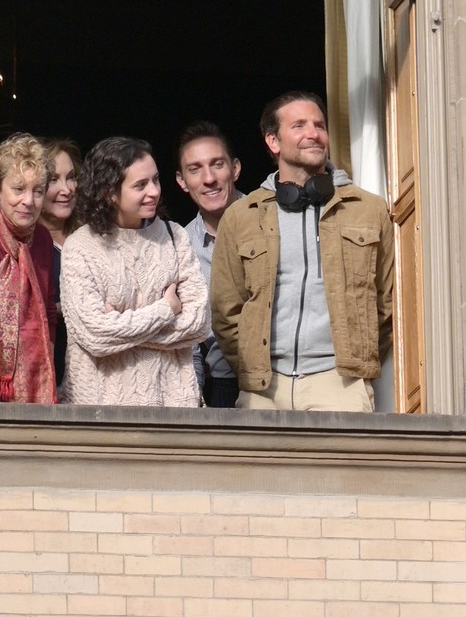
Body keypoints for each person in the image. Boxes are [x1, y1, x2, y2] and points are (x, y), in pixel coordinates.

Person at [210, 91, 394, 412]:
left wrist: (356, 358)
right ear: (273, 141)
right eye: (299, 126)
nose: (314, 133)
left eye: (319, 125)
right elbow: (227, 312)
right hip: (263, 389)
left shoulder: (369, 209)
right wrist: (252, 364)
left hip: (341, 384)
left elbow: (387, 303)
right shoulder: (242, 215)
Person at [60, 136, 210, 406]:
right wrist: (165, 309)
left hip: (172, 404)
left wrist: (122, 328)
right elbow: (96, 335)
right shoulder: (79, 247)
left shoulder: (174, 236)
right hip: (102, 408)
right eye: (140, 185)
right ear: (109, 192)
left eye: (155, 180)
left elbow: (199, 322)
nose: (153, 191)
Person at [0, 132, 57, 403]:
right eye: (18, 189)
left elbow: (48, 313)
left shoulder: (42, 238)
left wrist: (45, 391)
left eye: (38, 191)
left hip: (34, 394)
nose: (29, 201)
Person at [175, 121, 242, 407]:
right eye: (195, 169)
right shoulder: (180, 246)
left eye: (217, 165)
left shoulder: (270, 220)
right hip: (222, 387)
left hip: (284, 378)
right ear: (181, 181)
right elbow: (188, 338)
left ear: (235, 169)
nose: (209, 178)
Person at [38, 137, 82, 388]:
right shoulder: (25, 246)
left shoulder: (93, 239)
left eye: (71, 177)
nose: (66, 189)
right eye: (53, 179)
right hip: (43, 381)